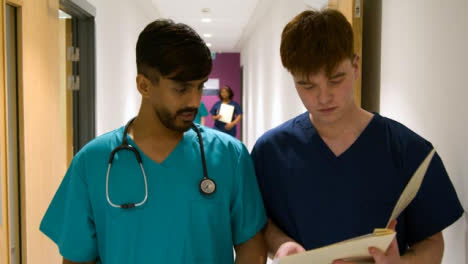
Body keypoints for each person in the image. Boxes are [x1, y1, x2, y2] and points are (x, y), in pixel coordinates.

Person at [40, 19, 267, 264]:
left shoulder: (231, 156)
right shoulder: (92, 163)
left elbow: (252, 249)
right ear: (144, 85)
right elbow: (76, 259)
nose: (194, 101)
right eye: (181, 89)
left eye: (199, 86)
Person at [251, 9, 463, 264]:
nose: (323, 97)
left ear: (356, 66)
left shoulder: (408, 151)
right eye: (307, 85)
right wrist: (282, 245)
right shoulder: (271, 152)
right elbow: (260, 224)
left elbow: (431, 243)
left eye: (336, 79)